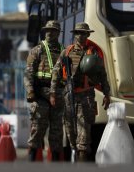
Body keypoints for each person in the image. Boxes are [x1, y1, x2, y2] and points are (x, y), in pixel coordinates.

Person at [51, 22, 111, 162]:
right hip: (69, 96)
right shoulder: (67, 52)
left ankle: (82, 161)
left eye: (83, 33)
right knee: (71, 132)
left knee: (83, 137)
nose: (80, 36)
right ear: (74, 35)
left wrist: (106, 94)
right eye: (78, 33)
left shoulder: (94, 52)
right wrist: (53, 93)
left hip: (86, 97)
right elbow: (56, 72)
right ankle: (76, 155)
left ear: (88, 34)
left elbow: (102, 75)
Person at [23, 20, 64, 161]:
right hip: (40, 95)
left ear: (58, 33)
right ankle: (32, 160)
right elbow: (28, 73)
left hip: (58, 95)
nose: (49, 33)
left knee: (57, 133)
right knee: (37, 129)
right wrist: (30, 92)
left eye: (52, 30)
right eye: (47, 30)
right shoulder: (37, 50)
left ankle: (56, 162)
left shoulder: (63, 51)